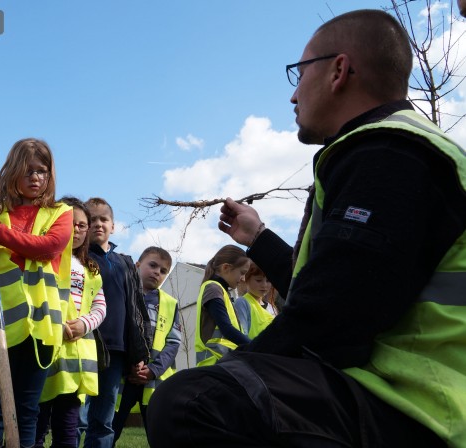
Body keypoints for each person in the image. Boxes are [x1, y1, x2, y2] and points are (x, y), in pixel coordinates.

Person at [147, 9, 466, 447]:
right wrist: (258, 239)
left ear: (339, 69)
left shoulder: (390, 153)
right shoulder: (395, 152)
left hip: (413, 408)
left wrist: (227, 369)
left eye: (298, 74)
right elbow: (332, 285)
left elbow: (332, 315)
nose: (293, 96)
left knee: (192, 401)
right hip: (404, 398)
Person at [0, 138, 73, 448]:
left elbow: (48, 247)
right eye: (27, 171)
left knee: (27, 410)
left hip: (40, 329)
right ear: (12, 172)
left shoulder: (61, 212)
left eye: (42, 171)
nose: (35, 178)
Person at [34, 196, 106, 448]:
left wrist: (84, 324)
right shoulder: (42, 258)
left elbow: (99, 306)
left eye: (82, 225)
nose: (75, 229)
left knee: (68, 430)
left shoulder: (91, 269)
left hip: (76, 361)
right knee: (35, 427)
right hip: (45, 353)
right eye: (70, 222)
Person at [79, 197, 150, 448]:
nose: (98, 224)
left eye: (103, 219)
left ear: (113, 225)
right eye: (92, 220)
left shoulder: (125, 263)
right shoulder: (79, 258)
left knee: (104, 418)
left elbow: (137, 311)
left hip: (116, 352)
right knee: (78, 416)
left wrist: (139, 353)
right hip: (83, 344)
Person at [112, 246, 181, 446]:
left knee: (159, 435)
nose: (157, 272)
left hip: (154, 382)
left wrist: (153, 370)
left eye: (163, 271)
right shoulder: (122, 295)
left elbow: (173, 342)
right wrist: (130, 366)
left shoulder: (170, 303)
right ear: (137, 265)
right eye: (152, 265)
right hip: (125, 377)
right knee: (109, 430)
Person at [194, 245, 250, 367]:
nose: (243, 278)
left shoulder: (222, 292)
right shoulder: (213, 288)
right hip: (214, 363)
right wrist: (255, 347)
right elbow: (226, 328)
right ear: (226, 268)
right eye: (242, 273)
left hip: (224, 363)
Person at [233, 261, 275, 338]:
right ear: (247, 279)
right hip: (251, 349)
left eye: (268, 281)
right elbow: (241, 335)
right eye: (258, 280)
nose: (264, 285)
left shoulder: (270, 307)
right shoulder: (242, 302)